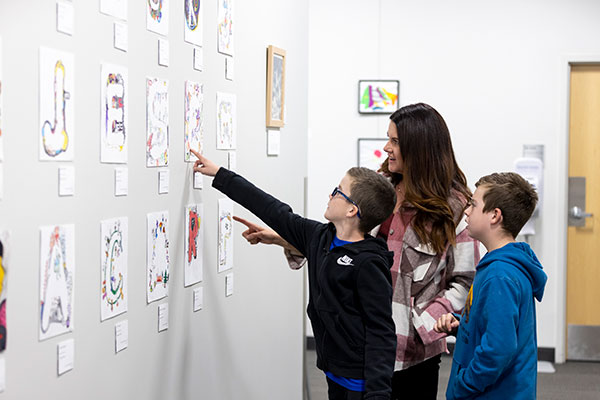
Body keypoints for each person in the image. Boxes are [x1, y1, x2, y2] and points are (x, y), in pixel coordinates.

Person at [234, 103, 480, 399]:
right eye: (388, 138)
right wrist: (282, 239)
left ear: (420, 149)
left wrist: (424, 321)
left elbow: (465, 281)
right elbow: (342, 247)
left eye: (395, 142)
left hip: (411, 356)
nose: (387, 148)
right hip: (355, 346)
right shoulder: (380, 189)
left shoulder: (455, 209)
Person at [190, 149, 398, 400]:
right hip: (333, 370)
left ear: (352, 210)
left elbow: (381, 332)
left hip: (360, 382)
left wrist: (378, 394)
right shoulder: (320, 237)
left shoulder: (368, 264)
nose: (331, 195)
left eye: (338, 191)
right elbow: (271, 209)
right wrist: (220, 174)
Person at [434, 172, 547, 399]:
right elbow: (496, 326)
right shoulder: (501, 265)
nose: (466, 211)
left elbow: (499, 349)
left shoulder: (500, 275)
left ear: (495, 216)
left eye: (473, 205)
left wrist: (463, 385)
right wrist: (462, 324)